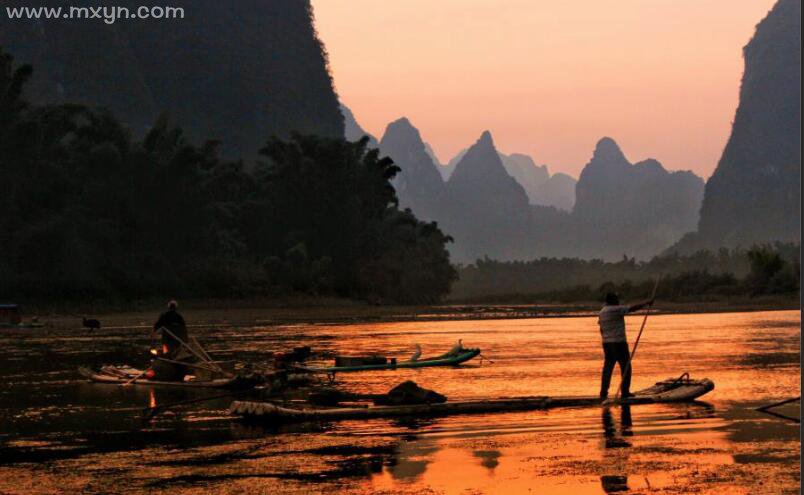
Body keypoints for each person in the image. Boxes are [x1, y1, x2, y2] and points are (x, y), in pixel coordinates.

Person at [598, 293, 653, 400]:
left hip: (607, 344)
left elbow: (601, 329)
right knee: (626, 367)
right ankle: (625, 392)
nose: (619, 301)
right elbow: (631, 308)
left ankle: (603, 393)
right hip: (618, 343)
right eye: (617, 299)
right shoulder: (614, 309)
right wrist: (646, 303)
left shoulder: (602, 312)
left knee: (608, 368)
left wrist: (605, 338)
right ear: (613, 301)